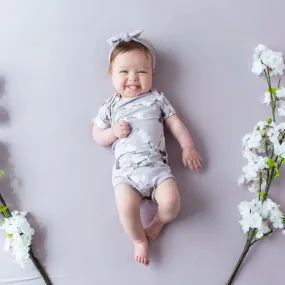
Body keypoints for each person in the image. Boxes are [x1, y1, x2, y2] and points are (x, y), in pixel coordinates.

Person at [92, 30, 202, 266]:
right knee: (126, 210)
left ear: (152, 73)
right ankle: (138, 239)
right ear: (111, 74)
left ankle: (159, 221)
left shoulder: (157, 99)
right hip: (126, 175)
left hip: (158, 171)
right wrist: (112, 133)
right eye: (124, 71)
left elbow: (176, 125)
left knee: (172, 204)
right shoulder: (110, 105)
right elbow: (97, 135)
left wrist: (188, 147)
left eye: (141, 71)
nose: (133, 77)